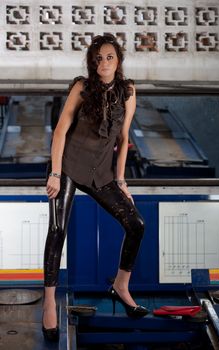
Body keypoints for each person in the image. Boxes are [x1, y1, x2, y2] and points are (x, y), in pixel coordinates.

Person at [42, 34, 149, 342]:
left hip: (101, 174)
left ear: (119, 60)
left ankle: (121, 286)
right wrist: (56, 174)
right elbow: (61, 130)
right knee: (57, 230)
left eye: (109, 57)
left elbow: (123, 138)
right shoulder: (81, 86)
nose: (103, 63)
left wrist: (121, 180)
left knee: (136, 224)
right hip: (68, 167)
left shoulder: (129, 92)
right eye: (98, 58)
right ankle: (49, 302)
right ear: (92, 61)